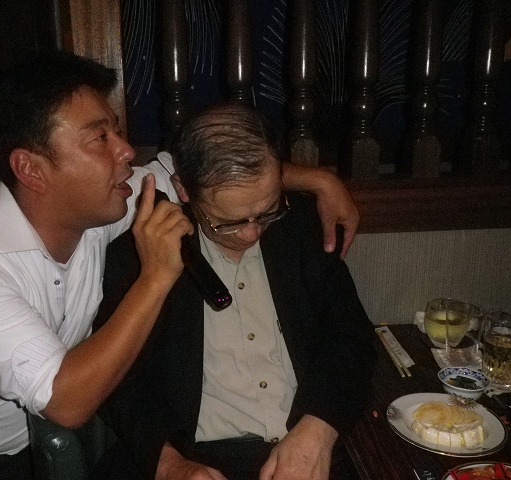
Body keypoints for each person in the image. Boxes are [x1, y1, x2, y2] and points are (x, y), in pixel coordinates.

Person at [0, 51, 358, 480]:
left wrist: (321, 180)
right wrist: (156, 277)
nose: (126, 150)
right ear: (31, 169)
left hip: (45, 444)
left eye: (116, 130)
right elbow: (68, 403)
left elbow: (202, 171)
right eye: (99, 137)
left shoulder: (106, 203)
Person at [98, 104, 376, 480]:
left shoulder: (302, 226)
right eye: (228, 222)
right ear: (183, 189)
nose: (251, 233)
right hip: (198, 458)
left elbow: (351, 340)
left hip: (310, 441)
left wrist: (319, 428)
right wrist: (169, 464)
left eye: (267, 211)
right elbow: (121, 383)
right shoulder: (139, 255)